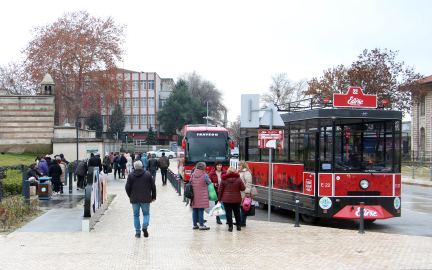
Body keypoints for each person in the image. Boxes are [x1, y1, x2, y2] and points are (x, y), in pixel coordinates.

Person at [125, 161, 156, 238]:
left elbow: (127, 187)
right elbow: (153, 187)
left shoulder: (130, 175)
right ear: (142, 166)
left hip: (134, 198)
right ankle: (145, 226)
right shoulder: (148, 175)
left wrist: (130, 196)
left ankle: (137, 233)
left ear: (134, 167)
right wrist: (153, 197)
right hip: (146, 198)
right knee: (146, 214)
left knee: (136, 215)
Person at [218, 167, 245, 232]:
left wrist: (219, 198)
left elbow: (220, 190)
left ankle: (230, 227)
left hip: (226, 199)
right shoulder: (239, 179)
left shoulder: (224, 179)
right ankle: (238, 226)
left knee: (228, 212)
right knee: (237, 212)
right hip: (236, 199)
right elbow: (243, 189)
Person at [190, 162, 211, 230]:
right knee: (201, 209)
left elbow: (190, 182)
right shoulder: (204, 175)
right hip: (202, 195)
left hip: (194, 195)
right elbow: (209, 182)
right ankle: (201, 225)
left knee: (195, 209)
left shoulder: (193, 174)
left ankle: (194, 224)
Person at [208, 160, 227, 225]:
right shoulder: (212, 173)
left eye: (220, 165)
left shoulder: (225, 172)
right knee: (217, 205)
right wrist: (215, 184)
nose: (219, 166)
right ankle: (218, 218)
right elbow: (209, 182)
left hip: (224, 191)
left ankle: (227, 218)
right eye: (218, 165)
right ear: (215, 166)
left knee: (226, 205)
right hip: (216, 191)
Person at [238, 160, 253, 227]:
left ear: (243, 166)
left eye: (240, 165)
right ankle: (240, 220)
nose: (238, 166)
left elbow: (248, 183)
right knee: (241, 207)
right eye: (238, 165)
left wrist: (247, 192)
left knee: (244, 207)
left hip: (244, 192)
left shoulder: (246, 172)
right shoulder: (239, 172)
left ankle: (243, 221)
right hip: (240, 192)